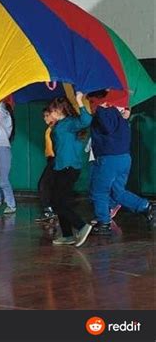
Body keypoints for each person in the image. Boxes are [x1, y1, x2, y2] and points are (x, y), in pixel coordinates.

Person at [81, 90, 153, 242]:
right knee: (118, 192)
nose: (91, 106)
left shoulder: (104, 111)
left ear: (97, 100)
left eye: (91, 102)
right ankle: (145, 206)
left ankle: (104, 223)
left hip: (109, 159)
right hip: (124, 158)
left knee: (99, 191)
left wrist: (98, 109)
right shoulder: (118, 114)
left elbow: (107, 127)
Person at [46, 93, 93, 247]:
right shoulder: (60, 125)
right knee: (59, 201)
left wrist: (79, 101)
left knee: (58, 202)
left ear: (60, 110)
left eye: (52, 110)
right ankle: (67, 235)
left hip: (69, 168)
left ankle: (81, 226)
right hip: (61, 167)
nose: (50, 113)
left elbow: (86, 120)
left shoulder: (69, 123)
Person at [35, 108, 57, 222]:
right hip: (51, 159)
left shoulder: (57, 128)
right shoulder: (50, 128)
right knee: (48, 185)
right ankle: (51, 209)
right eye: (44, 116)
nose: (45, 118)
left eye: (47, 115)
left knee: (43, 184)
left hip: (55, 159)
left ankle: (48, 210)